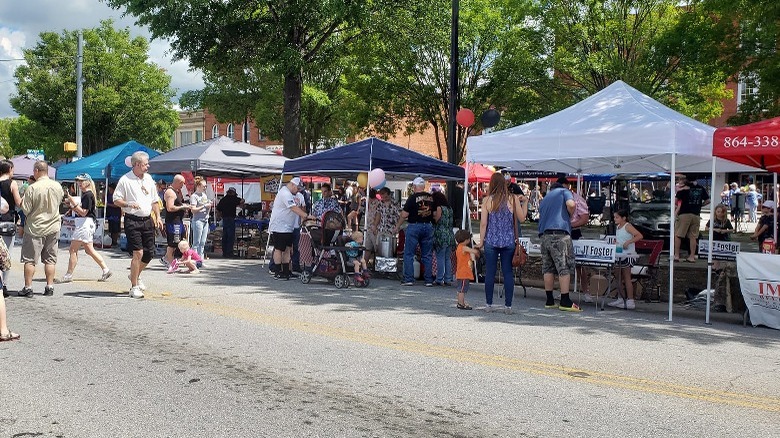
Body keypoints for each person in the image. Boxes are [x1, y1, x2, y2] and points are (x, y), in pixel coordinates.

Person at [112, 151, 164, 299]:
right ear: (136, 164)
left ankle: (134, 275)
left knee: (149, 254)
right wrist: (128, 203)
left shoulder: (148, 179)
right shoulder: (125, 180)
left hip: (148, 219)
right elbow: (116, 199)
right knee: (138, 253)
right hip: (132, 219)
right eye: (145, 164)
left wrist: (158, 217)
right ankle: (134, 287)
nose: (148, 166)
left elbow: (154, 200)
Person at [476, 172, 527, 313]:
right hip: (508, 240)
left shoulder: (487, 201)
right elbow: (522, 218)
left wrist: (481, 241)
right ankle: (508, 306)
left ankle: (489, 304)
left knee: (490, 273)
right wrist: (526, 202)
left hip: (491, 240)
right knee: (508, 273)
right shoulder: (512, 199)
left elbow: (483, 224)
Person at [19, 161, 64, 297]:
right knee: (50, 259)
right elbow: (60, 203)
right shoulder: (57, 186)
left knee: (30, 260)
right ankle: (49, 286)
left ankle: (28, 287)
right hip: (53, 226)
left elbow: (25, 209)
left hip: (35, 227)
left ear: (36, 171)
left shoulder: (32, 188)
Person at [59, 174, 112, 283]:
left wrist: (73, 204)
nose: (79, 183)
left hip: (85, 223)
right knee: (89, 250)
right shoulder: (87, 194)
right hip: (86, 223)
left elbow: (83, 212)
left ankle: (69, 274)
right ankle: (105, 269)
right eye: (78, 181)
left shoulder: (88, 195)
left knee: (73, 249)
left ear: (87, 182)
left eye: (81, 181)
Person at [537, 176, 579, 311]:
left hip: (544, 235)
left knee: (548, 268)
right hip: (559, 234)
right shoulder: (564, 192)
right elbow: (571, 205)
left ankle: (549, 300)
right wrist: (570, 215)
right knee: (563, 266)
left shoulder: (545, 198)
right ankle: (565, 300)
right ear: (564, 185)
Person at [395, 177, 439, 287]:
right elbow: (435, 214)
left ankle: (409, 279)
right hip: (428, 226)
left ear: (414, 186)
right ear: (424, 186)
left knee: (409, 253)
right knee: (427, 254)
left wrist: (397, 226)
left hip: (414, 226)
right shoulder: (431, 198)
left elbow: (404, 215)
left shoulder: (412, 197)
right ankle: (428, 280)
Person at [268, 177, 315, 280]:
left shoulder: (290, 194)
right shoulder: (285, 193)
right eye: (297, 188)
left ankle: (286, 271)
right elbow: (293, 208)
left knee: (288, 249)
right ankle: (277, 271)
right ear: (293, 185)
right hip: (280, 226)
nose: (298, 191)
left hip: (288, 226)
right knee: (279, 249)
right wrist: (306, 216)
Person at [607, 209, 643, 310]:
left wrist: (629, 241)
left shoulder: (628, 226)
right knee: (618, 276)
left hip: (628, 255)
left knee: (627, 277)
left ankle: (630, 300)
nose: (615, 219)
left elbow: (639, 236)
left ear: (624, 218)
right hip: (619, 254)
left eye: (617, 217)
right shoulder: (618, 227)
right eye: (614, 217)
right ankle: (620, 297)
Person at [673, 176, 709, 263]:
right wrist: (700, 205)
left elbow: (675, 201)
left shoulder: (682, 190)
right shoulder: (701, 188)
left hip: (684, 214)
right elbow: (708, 200)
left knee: (678, 235)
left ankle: (676, 255)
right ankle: (692, 256)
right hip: (696, 215)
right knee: (693, 236)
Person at [707, 204, 735, 313]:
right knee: (714, 256)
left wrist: (725, 231)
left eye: (721, 212)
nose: (719, 214)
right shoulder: (712, 220)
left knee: (724, 256)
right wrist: (715, 229)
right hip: (714, 239)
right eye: (718, 212)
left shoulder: (726, 221)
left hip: (724, 240)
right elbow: (707, 227)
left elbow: (732, 230)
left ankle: (723, 270)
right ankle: (715, 269)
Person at [0, 160, 21, 297]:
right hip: (7, 222)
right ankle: (4, 285)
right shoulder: (12, 183)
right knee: (6, 255)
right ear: (10, 169)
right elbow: (19, 202)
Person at [162, 174, 190, 265]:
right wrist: (182, 207)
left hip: (178, 221)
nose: (183, 186)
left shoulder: (176, 191)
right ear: (179, 182)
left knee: (179, 241)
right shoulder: (170, 192)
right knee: (173, 243)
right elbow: (170, 208)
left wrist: (183, 207)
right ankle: (170, 263)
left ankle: (166, 258)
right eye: (182, 184)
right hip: (173, 222)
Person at [432, 190, 455, 286]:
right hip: (450, 234)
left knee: (440, 257)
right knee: (447, 258)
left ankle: (439, 278)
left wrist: (432, 216)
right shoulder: (449, 208)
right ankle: (448, 279)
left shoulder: (439, 208)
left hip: (441, 235)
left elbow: (437, 220)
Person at [454, 229, 480, 310]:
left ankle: (461, 302)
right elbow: (473, 251)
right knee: (462, 289)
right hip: (464, 273)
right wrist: (476, 249)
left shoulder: (459, 247)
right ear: (466, 240)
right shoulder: (463, 247)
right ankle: (461, 304)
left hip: (461, 272)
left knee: (461, 289)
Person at [216, 187, 244, 258]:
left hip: (225, 218)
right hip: (231, 218)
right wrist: (240, 204)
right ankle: (229, 252)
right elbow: (242, 200)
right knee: (230, 236)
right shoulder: (234, 199)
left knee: (225, 235)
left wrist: (220, 215)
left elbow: (218, 208)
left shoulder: (223, 199)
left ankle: (225, 252)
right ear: (233, 193)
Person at [189, 177, 213, 259]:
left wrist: (209, 206)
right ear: (198, 186)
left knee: (202, 242)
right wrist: (203, 206)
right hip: (198, 220)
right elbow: (193, 210)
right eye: (204, 186)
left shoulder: (204, 195)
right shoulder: (194, 196)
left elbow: (207, 209)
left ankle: (200, 260)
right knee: (196, 242)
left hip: (205, 220)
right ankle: (192, 259)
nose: (205, 188)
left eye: (206, 186)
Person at [105, 183, 122, 248]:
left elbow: (117, 205)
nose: (109, 190)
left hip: (116, 215)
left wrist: (108, 205)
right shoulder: (108, 195)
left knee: (116, 229)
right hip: (110, 214)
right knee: (111, 228)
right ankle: (112, 241)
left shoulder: (116, 196)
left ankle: (115, 241)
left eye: (110, 189)